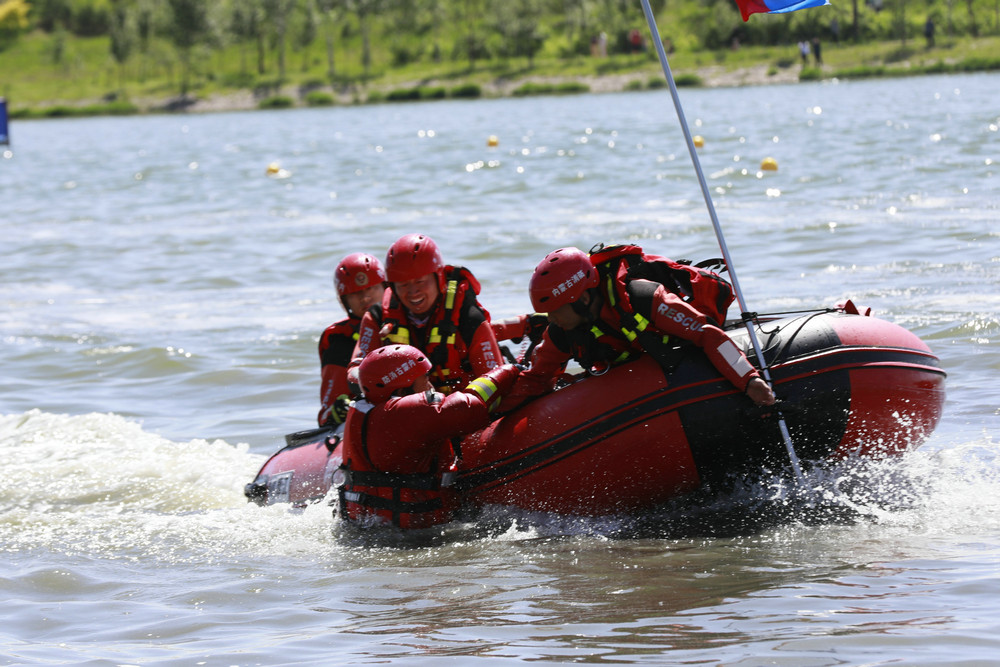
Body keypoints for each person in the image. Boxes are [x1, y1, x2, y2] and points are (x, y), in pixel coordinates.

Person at [509, 244, 776, 408]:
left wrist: (749, 380)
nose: (551, 319)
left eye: (556, 311)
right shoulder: (561, 332)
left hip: (687, 357)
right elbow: (536, 377)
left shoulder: (643, 297)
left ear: (584, 299)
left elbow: (706, 334)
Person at [337, 344, 519, 529]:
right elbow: (468, 407)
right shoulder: (401, 414)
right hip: (414, 533)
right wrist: (509, 370)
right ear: (401, 392)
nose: (431, 386)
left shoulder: (365, 408)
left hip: (370, 524)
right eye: (425, 379)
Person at [348, 233, 504, 396]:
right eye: (403, 285)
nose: (413, 291)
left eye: (420, 281)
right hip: (400, 407)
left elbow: (496, 382)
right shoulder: (376, 317)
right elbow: (354, 372)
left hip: (462, 405)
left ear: (439, 278)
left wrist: (459, 404)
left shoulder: (469, 317)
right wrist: (370, 378)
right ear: (392, 287)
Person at [317, 252, 387, 426]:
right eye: (355, 293)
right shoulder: (339, 340)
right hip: (364, 419)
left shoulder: (406, 319)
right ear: (344, 300)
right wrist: (336, 411)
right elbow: (327, 410)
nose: (365, 297)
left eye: (371, 288)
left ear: (385, 287)